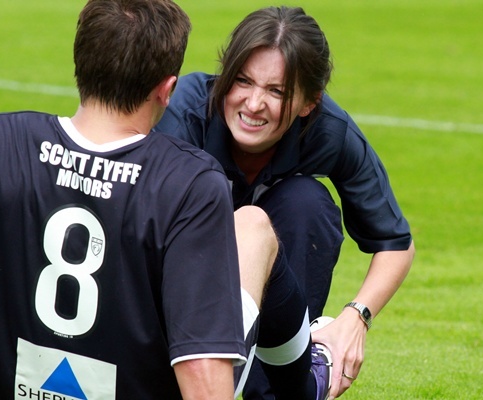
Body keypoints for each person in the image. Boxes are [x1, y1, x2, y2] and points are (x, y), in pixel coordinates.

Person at [0, 0, 322, 399]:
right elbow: (202, 366)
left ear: (80, 61)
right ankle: (312, 374)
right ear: (166, 89)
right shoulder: (190, 180)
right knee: (251, 226)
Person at [153, 5, 416, 399]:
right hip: (183, 275)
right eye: (242, 80)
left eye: (276, 91)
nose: (254, 103)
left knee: (307, 203)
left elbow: (396, 245)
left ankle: (280, 389)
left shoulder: (329, 130)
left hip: (274, 280)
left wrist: (355, 318)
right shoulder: (184, 114)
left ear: (309, 103)